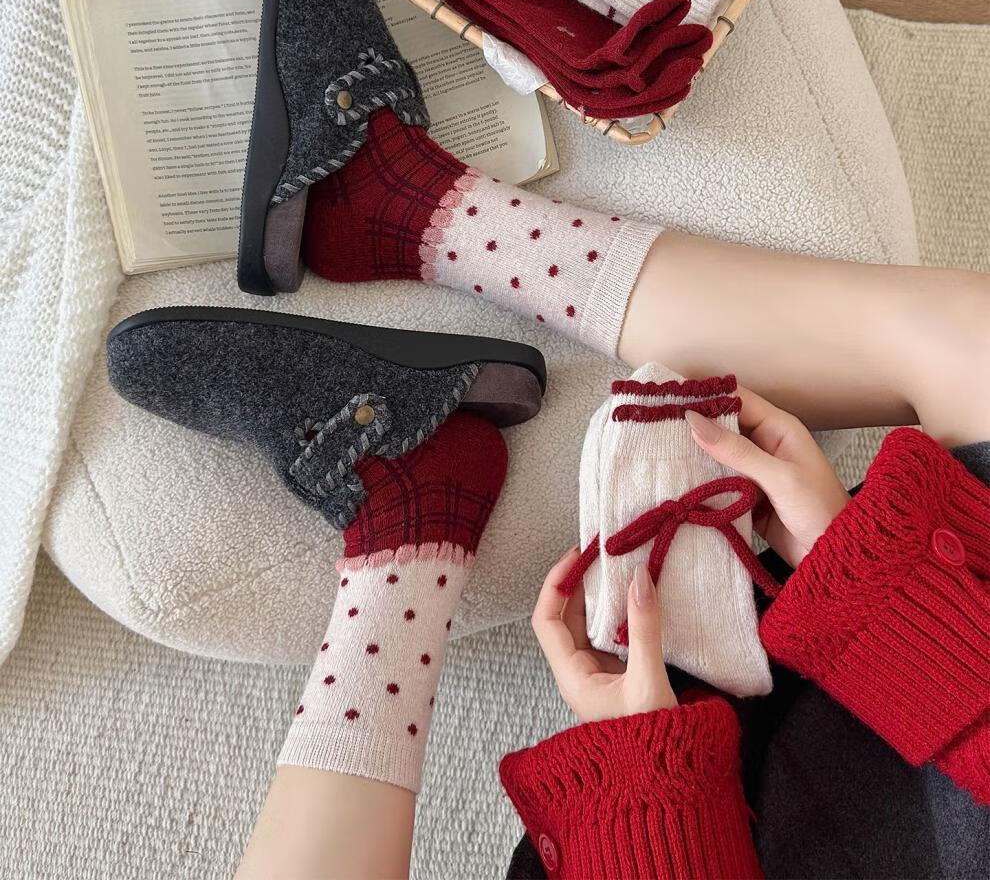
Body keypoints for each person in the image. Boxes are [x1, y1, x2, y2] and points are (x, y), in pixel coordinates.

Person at [234, 244, 990, 880]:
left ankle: (411, 531)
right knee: (975, 339)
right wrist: (869, 582)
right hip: (930, 698)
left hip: (686, 836)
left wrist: (649, 761)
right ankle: (440, 222)